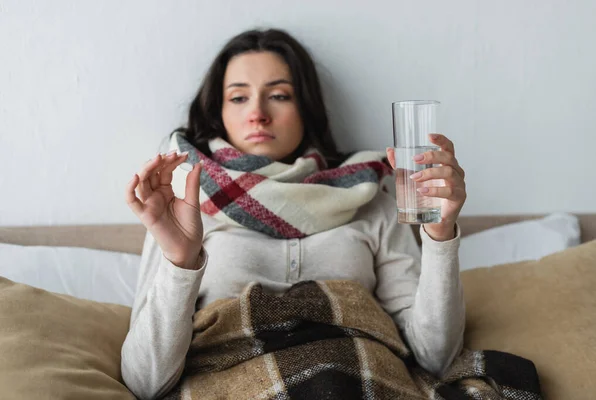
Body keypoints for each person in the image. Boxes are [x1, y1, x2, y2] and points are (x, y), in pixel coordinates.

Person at [121, 28, 467, 400]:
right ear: (218, 114)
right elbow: (145, 382)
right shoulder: (180, 203)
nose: (257, 114)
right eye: (238, 97)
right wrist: (180, 260)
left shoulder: (368, 195)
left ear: (306, 107)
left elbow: (435, 357)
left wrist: (440, 235)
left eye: (279, 95)